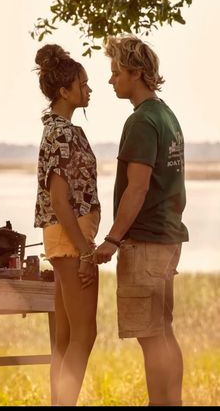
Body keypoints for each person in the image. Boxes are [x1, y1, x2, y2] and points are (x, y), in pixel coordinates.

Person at [95, 34, 189, 407]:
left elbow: (136, 188)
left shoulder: (141, 122)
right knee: (163, 331)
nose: (111, 80)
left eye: (116, 72)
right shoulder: (167, 115)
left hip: (147, 242)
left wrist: (112, 239)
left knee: (150, 335)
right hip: (168, 238)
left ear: (136, 73)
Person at [34, 44, 100, 406]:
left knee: (64, 336)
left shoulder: (62, 129)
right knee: (84, 333)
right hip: (71, 240)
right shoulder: (61, 132)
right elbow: (60, 201)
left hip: (65, 238)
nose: (89, 89)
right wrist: (86, 250)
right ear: (64, 91)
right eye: (83, 84)